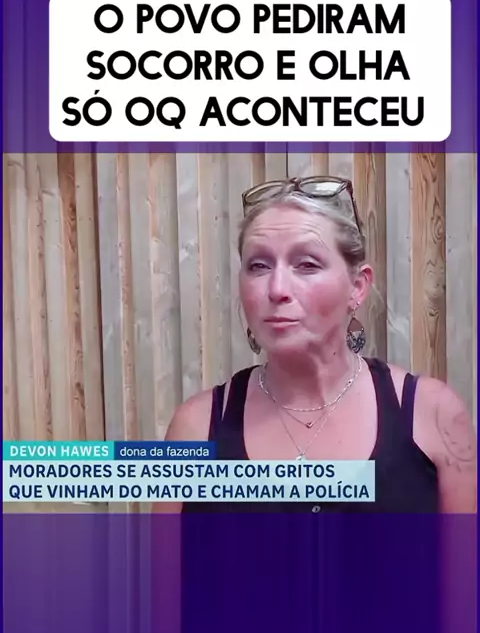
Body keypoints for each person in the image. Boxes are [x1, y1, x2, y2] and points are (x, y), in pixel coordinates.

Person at [166, 175, 477, 513]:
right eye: (259, 266)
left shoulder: (434, 417)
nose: (277, 289)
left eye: (307, 265)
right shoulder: (194, 428)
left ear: (357, 286)